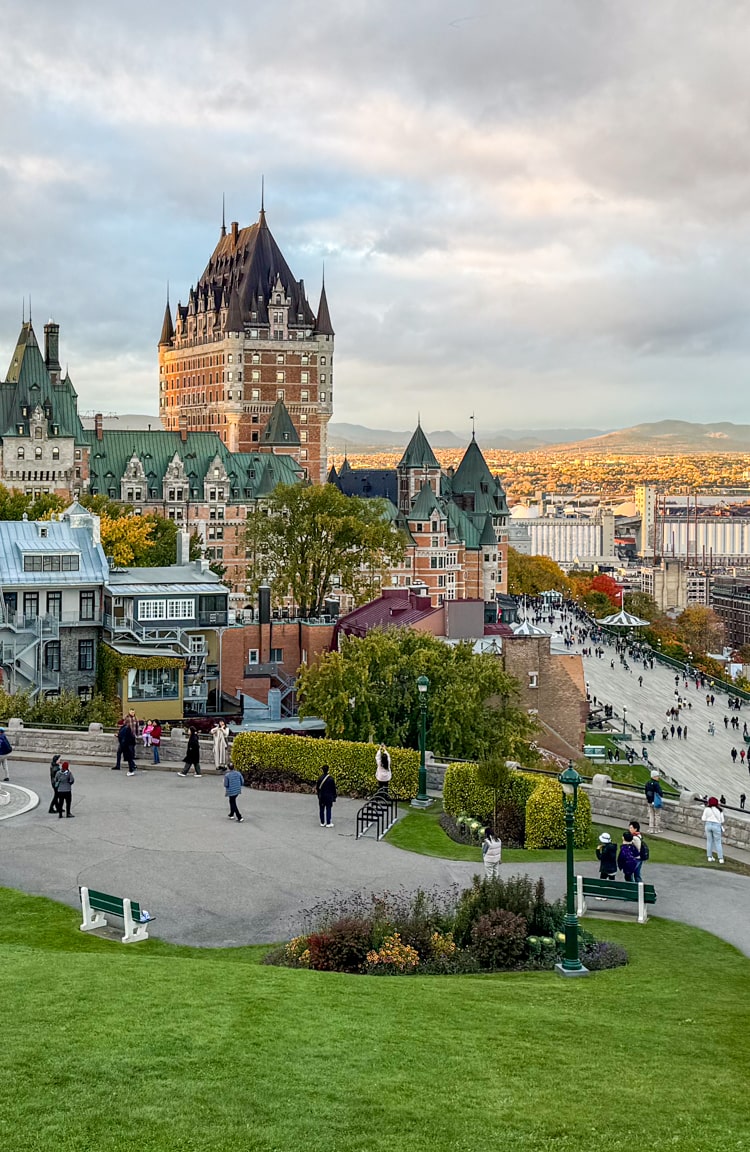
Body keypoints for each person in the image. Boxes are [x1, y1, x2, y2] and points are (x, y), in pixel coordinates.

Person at [702, 797, 725, 864]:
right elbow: (722, 820)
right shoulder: (720, 810)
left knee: (709, 841)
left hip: (708, 825)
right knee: (718, 842)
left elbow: (703, 818)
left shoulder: (707, 809)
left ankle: (709, 857)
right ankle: (720, 858)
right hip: (716, 826)